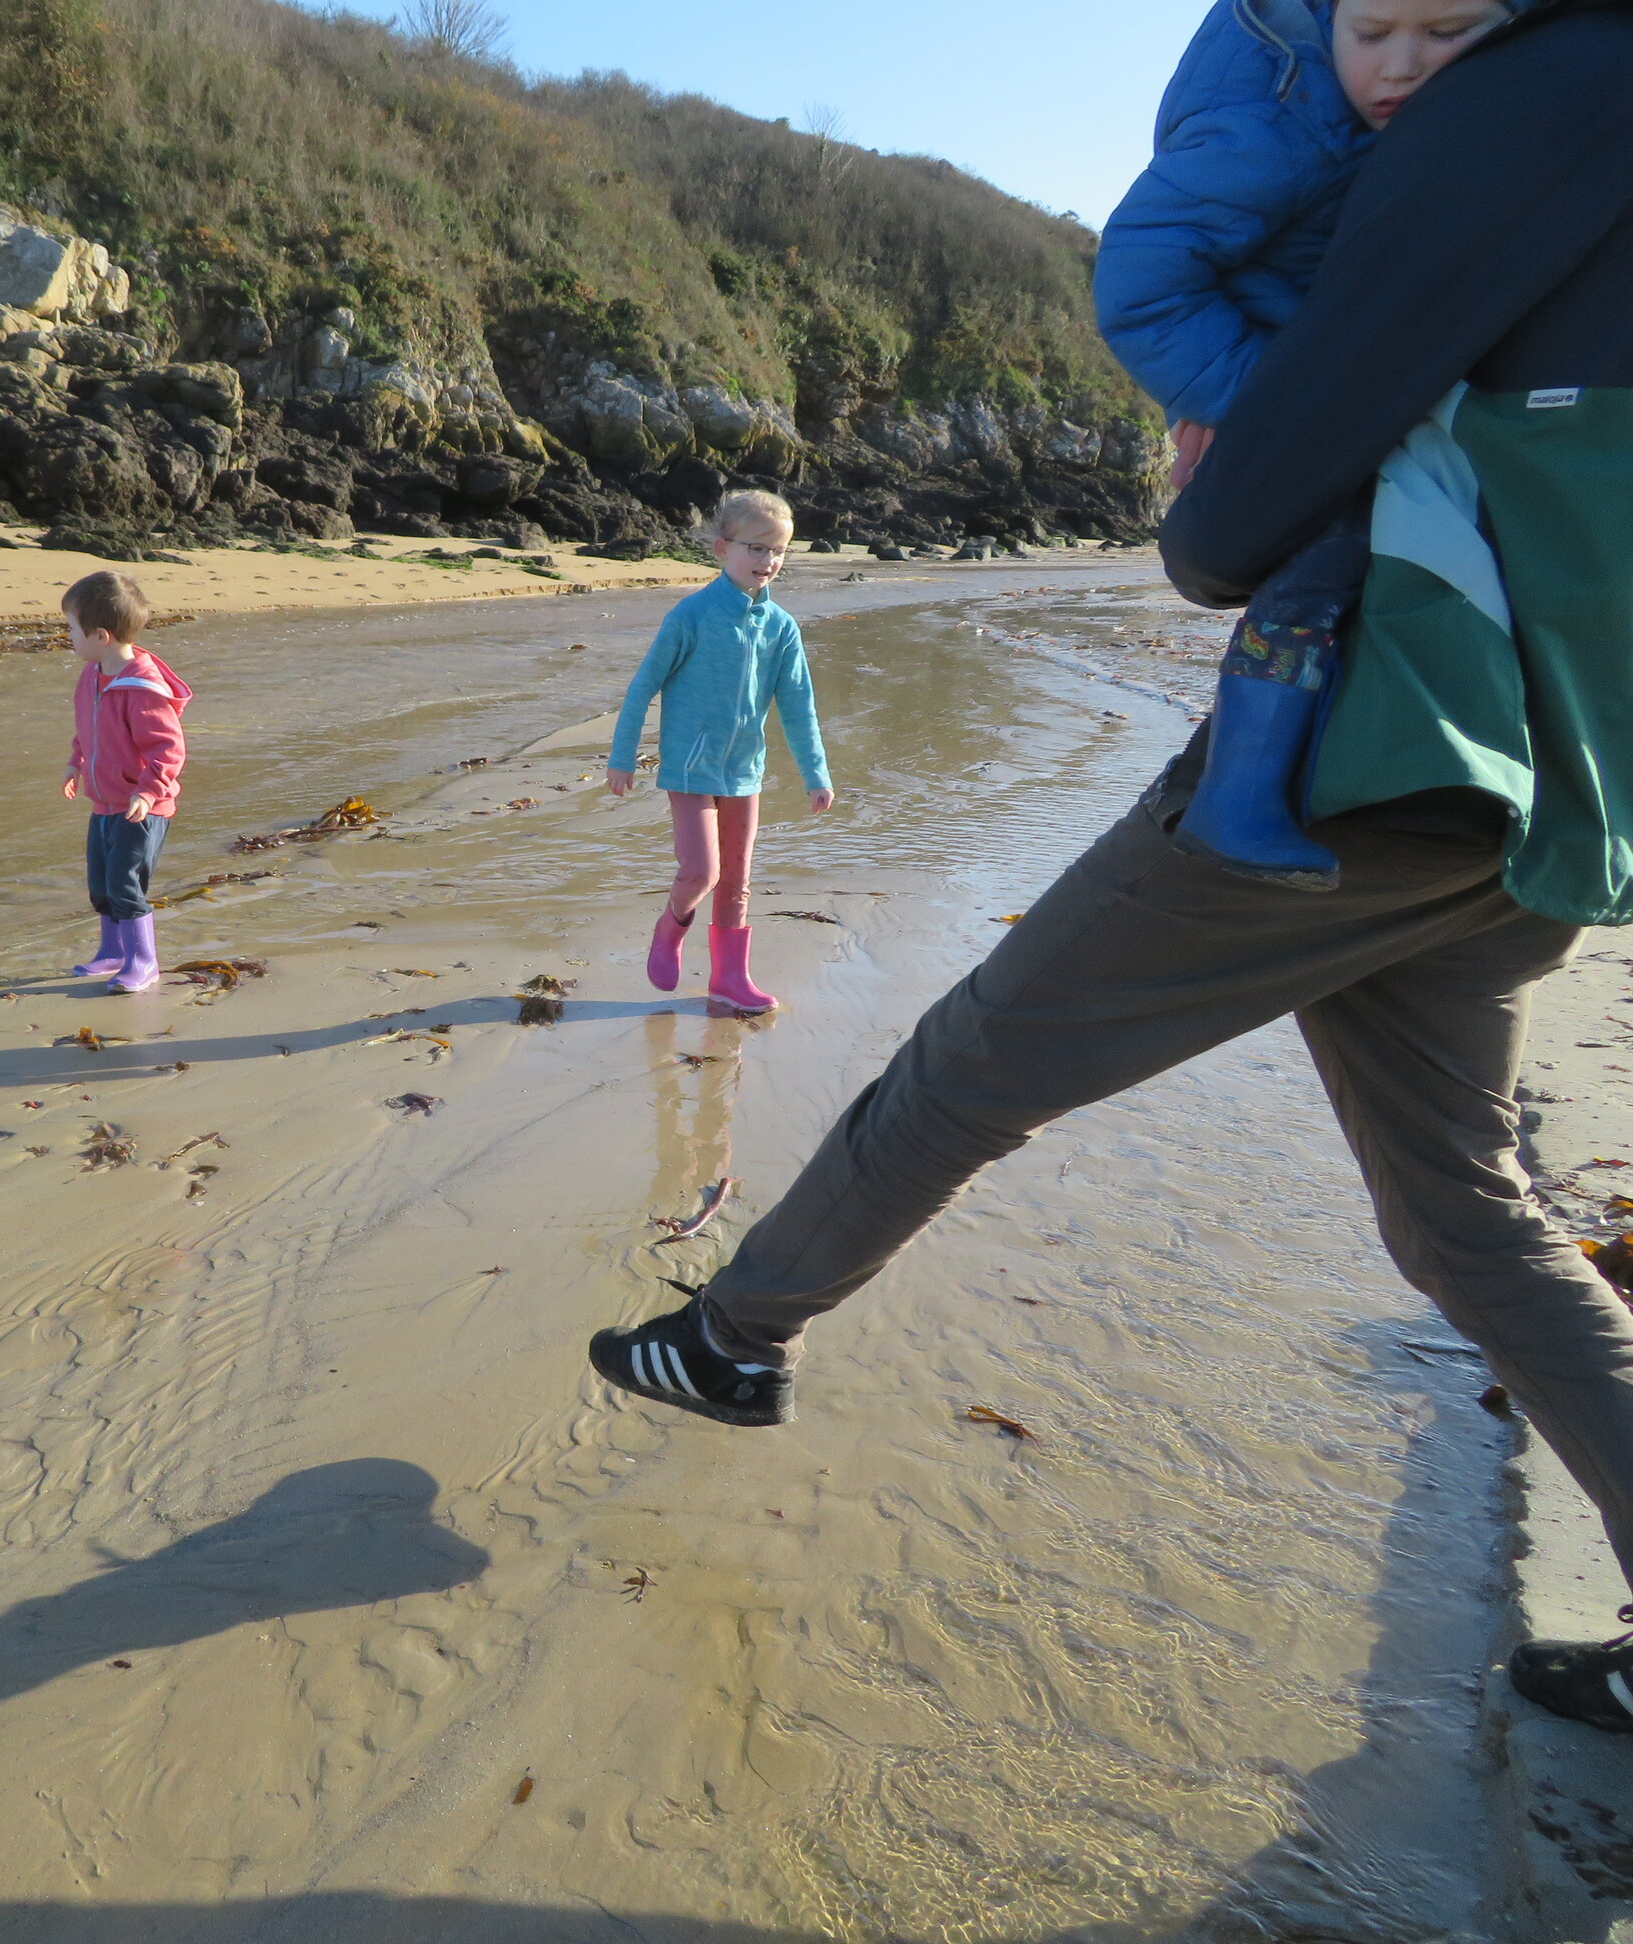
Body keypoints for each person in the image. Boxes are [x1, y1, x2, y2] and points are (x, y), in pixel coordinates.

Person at [586, 0, 1633, 1734]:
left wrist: (1226, 473)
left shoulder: (1501, 118)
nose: (1409, 47)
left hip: (1376, 756)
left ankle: (733, 1337)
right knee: (1468, 1213)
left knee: (975, 1061)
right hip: (1559, 783)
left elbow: (1222, 538)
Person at [1097, 0, 1512, 892]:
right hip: (1282, 398)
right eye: (1373, 34)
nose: (1401, 65)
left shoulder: (1365, 109)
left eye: (1446, 33)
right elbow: (1141, 283)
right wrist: (1269, 407)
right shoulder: (1282, 122)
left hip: (1325, 389)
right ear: (1328, 20)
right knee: (1323, 569)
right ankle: (1236, 796)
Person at [605, 491, 837, 1018]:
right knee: (701, 872)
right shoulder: (692, 615)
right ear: (721, 548)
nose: (768, 561)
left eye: (778, 551)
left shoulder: (781, 627)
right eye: (756, 548)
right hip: (689, 768)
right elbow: (643, 687)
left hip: (744, 771)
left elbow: (798, 706)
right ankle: (671, 928)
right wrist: (622, 757)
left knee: (736, 879)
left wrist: (816, 774)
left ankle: (730, 979)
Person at [60, 570, 191, 995]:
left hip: (142, 807)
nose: (68, 637)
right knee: (101, 884)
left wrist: (148, 791)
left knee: (125, 882)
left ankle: (143, 961)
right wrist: (76, 763)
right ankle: (113, 951)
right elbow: (88, 728)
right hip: (104, 803)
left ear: (101, 636)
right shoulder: (93, 675)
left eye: (71, 629)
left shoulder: (142, 688)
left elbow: (168, 749)